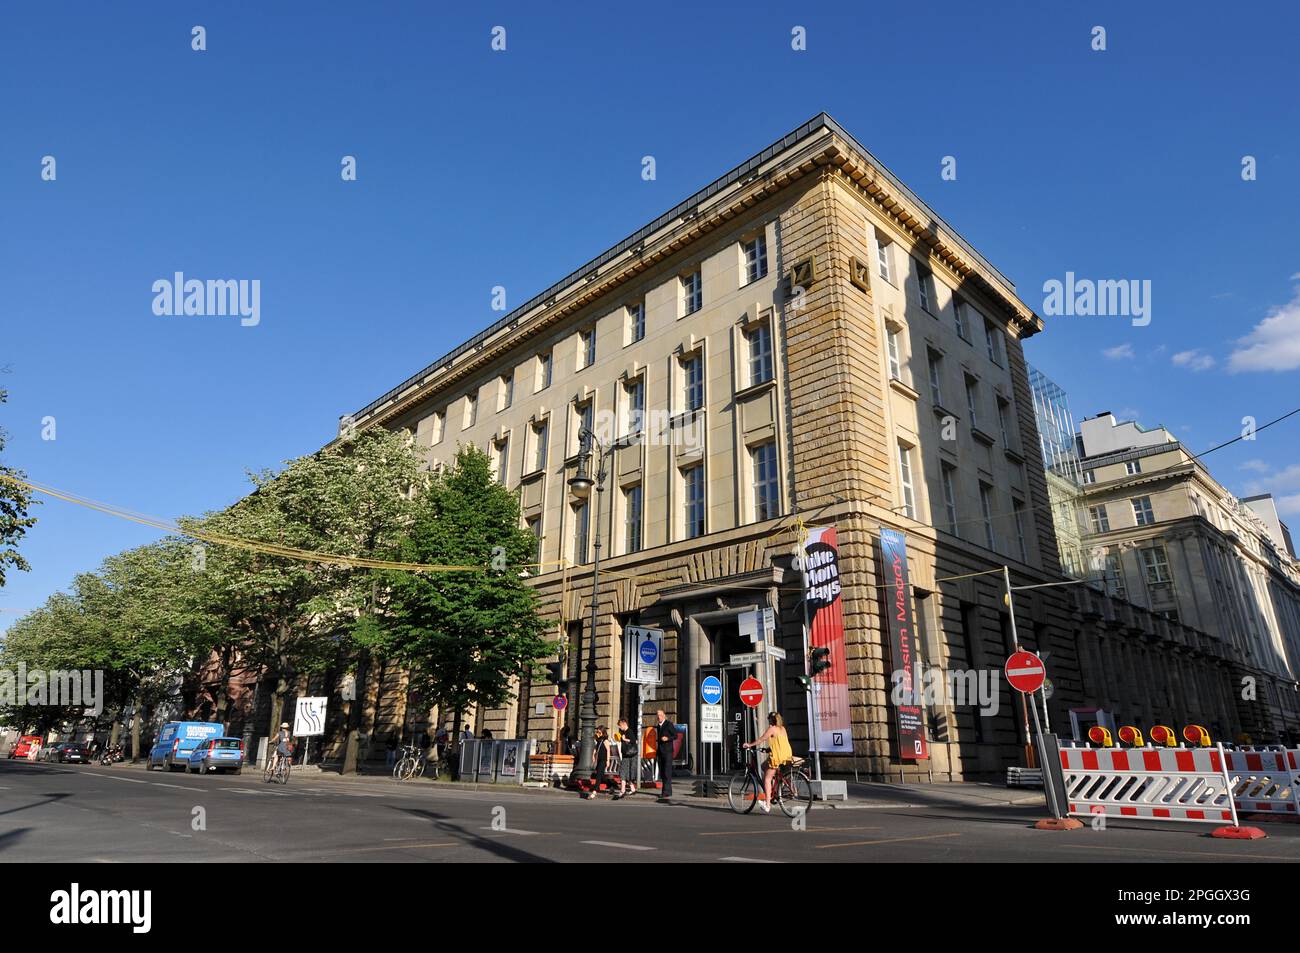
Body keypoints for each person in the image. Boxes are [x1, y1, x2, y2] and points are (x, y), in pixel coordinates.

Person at [744, 712, 793, 814]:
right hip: (786, 755)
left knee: (767, 778)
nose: (768, 722)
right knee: (763, 766)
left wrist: (749, 745)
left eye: (768, 720)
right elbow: (780, 743)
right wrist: (767, 750)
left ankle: (767, 805)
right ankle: (773, 789)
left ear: (771, 720)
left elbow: (761, 739)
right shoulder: (783, 729)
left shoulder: (772, 729)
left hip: (777, 757)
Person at [612, 718, 638, 799]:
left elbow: (634, 741)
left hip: (630, 755)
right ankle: (632, 789)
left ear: (624, 724)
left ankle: (623, 791)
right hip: (626, 755)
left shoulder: (629, 731)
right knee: (626, 772)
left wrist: (624, 739)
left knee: (623, 772)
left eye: (620, 726)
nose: (619, 728)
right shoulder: (623, 732)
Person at [653, 710, 677, 801]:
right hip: (660, 752)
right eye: (657, 715)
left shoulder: (668, 724)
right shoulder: (658, 726)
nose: (659, 717)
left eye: (660, 715)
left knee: (667, 772)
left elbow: (675, 736)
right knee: (663, 772)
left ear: (664, 716)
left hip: (668, 752)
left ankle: (665, 792)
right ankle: (668, 791)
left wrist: (667, 738)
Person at [584, 726, 611, 800]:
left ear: (603, 732)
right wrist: (593, 755)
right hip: (598, 759)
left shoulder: (605, 741)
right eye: (597, 732)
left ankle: (594, 792)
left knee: (598, 776)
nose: (598, 733)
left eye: (599, 732)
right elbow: (596, 747)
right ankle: (611, 785)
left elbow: (608, 751)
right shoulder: (599, 740)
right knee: (601, 776)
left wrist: (608, 761)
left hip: (603, 760)